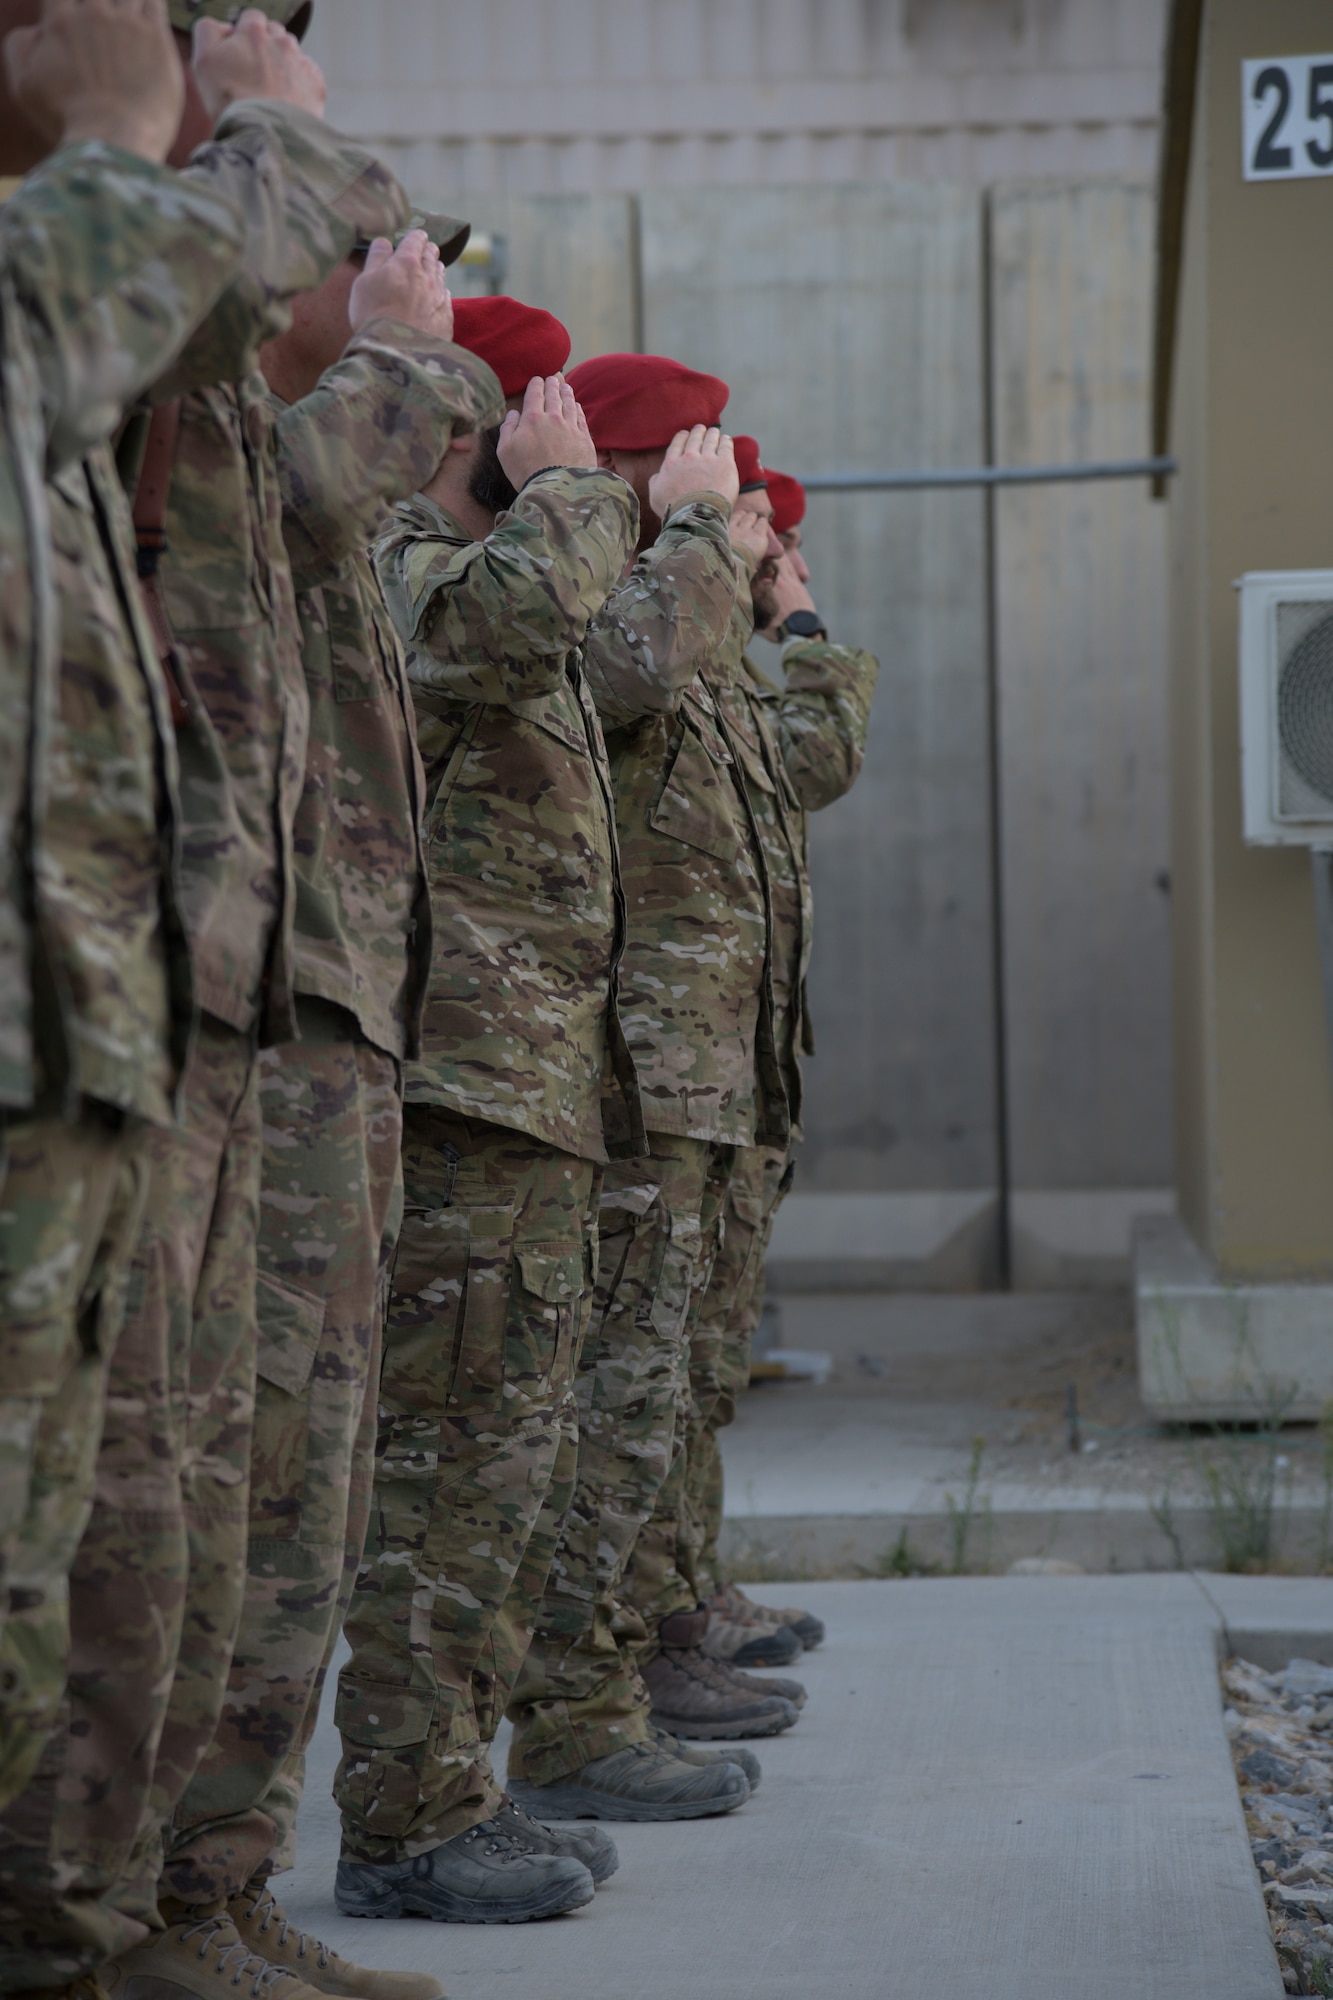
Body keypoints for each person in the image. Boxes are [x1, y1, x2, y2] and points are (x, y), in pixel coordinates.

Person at [0, 9, 422, 1997]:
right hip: (158, 990)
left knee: (236, 1470)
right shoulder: (90, 295)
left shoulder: (193, 373)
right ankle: (99, 1921)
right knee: (135, 1490)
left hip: (211, 978)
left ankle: (187, 1898)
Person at [150, 221, 502, 2000]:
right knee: (249, 1465)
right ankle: (157, 1907)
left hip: (337, 1030)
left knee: (312, 1485)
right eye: (350, 244)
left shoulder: (309, 464)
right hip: (257, 1034)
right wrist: (403, 351)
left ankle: (215, 1894)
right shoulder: (220, 425)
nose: (396, 276)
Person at [333, 296, 681, 1928]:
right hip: (459, 1090)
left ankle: (455, 1787)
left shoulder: (502, 571)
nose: (563, 445)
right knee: (446, 1465)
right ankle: (403, 1816)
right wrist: (574, 493)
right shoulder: (403, 555)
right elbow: (478, 635)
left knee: (505, 1462)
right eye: (534, 418)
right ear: (476, 431)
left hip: (528, 1092)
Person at [0, 0, 251, 1831]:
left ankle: (114, 1927)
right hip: (90, 1035)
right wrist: (120, 140)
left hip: (95, 1031)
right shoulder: (63, 292)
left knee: (95, 1546)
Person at [504, 352, 801, 1829]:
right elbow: (615, 678)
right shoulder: (601, 618)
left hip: (696, 1078)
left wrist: (775, 604)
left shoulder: (682, 628)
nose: (736, 522)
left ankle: (629, 1666)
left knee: (660, 1400)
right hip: (624, 1079)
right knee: (610, 1406)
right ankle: (580, 1698)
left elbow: (810, 765)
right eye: (695, 478)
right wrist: (687, 544)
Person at [633, 440, 879, 1689]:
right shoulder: (657, 658)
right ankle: (648, 1628)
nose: (773, 562)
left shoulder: (718, 672)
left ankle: (683, 1592)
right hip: (661, 1074)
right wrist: (768, 605)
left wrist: (797, 618)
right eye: (758, 540)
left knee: (702, 1364)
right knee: (651, 1376)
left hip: (731, 1070)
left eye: (773, 545)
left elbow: (813, 760)